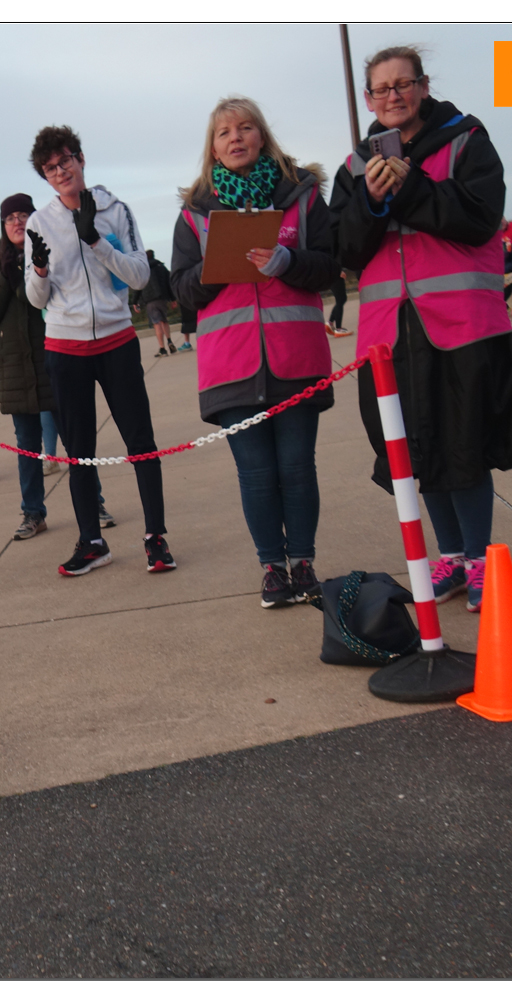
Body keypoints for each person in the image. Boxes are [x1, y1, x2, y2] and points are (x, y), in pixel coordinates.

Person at [329, 45, 512, 613]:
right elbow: (344, 248)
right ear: (368, 99)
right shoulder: (356, 166)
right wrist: (373, 201)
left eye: (402, 84)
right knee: (415, 452)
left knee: (464, 445)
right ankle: (451, 557)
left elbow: (480, 218)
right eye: (380, 90)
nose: (392, 97)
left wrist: (408, 187)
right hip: (390, 332)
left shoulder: (466, 140)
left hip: (461, 327)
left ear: (423, 86)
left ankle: (480, 558)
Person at [170, 96, 338, 607]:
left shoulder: (303, 196)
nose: (236, 137)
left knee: (296, 466)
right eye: (224, 133)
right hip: (231, 364)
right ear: (213, 148)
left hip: (295, 355)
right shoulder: (195, 213)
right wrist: (212, 268)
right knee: (258, 473)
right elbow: (180, 289)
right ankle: (271, 567)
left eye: (245, 128)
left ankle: (303, 561)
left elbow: (332, 265)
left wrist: (288, 261)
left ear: (262, 135)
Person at [25, 124, 175, 576]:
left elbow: (140, 276)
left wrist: (95, 241)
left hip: (116, 339)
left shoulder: (115, 209)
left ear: (81, 158)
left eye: (65, 160)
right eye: (50, 168)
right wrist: (38, 267)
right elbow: (36, 299)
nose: (60, 171)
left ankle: (156, 538)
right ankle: (91, 540)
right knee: (80, 451)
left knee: (140, 441)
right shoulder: (39, 222)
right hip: (66, 346)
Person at [0, 193, 117, 540]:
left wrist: (29, 268)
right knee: (27, 446)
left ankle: (94, 502)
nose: (17, 222)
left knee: (74, 440)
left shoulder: (47, 249)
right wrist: (4, 275)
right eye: (10, 218)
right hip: (15, 369)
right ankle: (33, 513)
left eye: (24, 215)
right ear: (2, 224)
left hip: (54, 358)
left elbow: (43, 296)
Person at [130, 249, 176, 356]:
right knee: (164, 320)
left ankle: (162, 348)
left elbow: (139, 286)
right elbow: (169, 283)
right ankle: (169, 340)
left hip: (150, 300)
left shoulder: (143, 270)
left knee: (156, 323)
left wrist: (135, 301)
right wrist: (173, 299)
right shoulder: (161, 267)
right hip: (162, 298)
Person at [325, 270, 354, 337]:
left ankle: (330, 322)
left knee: (341, 299)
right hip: (334, 274)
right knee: (340, 299)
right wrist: (338, 270)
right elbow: (334, 259)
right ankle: (338, 328)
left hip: (330, 274)